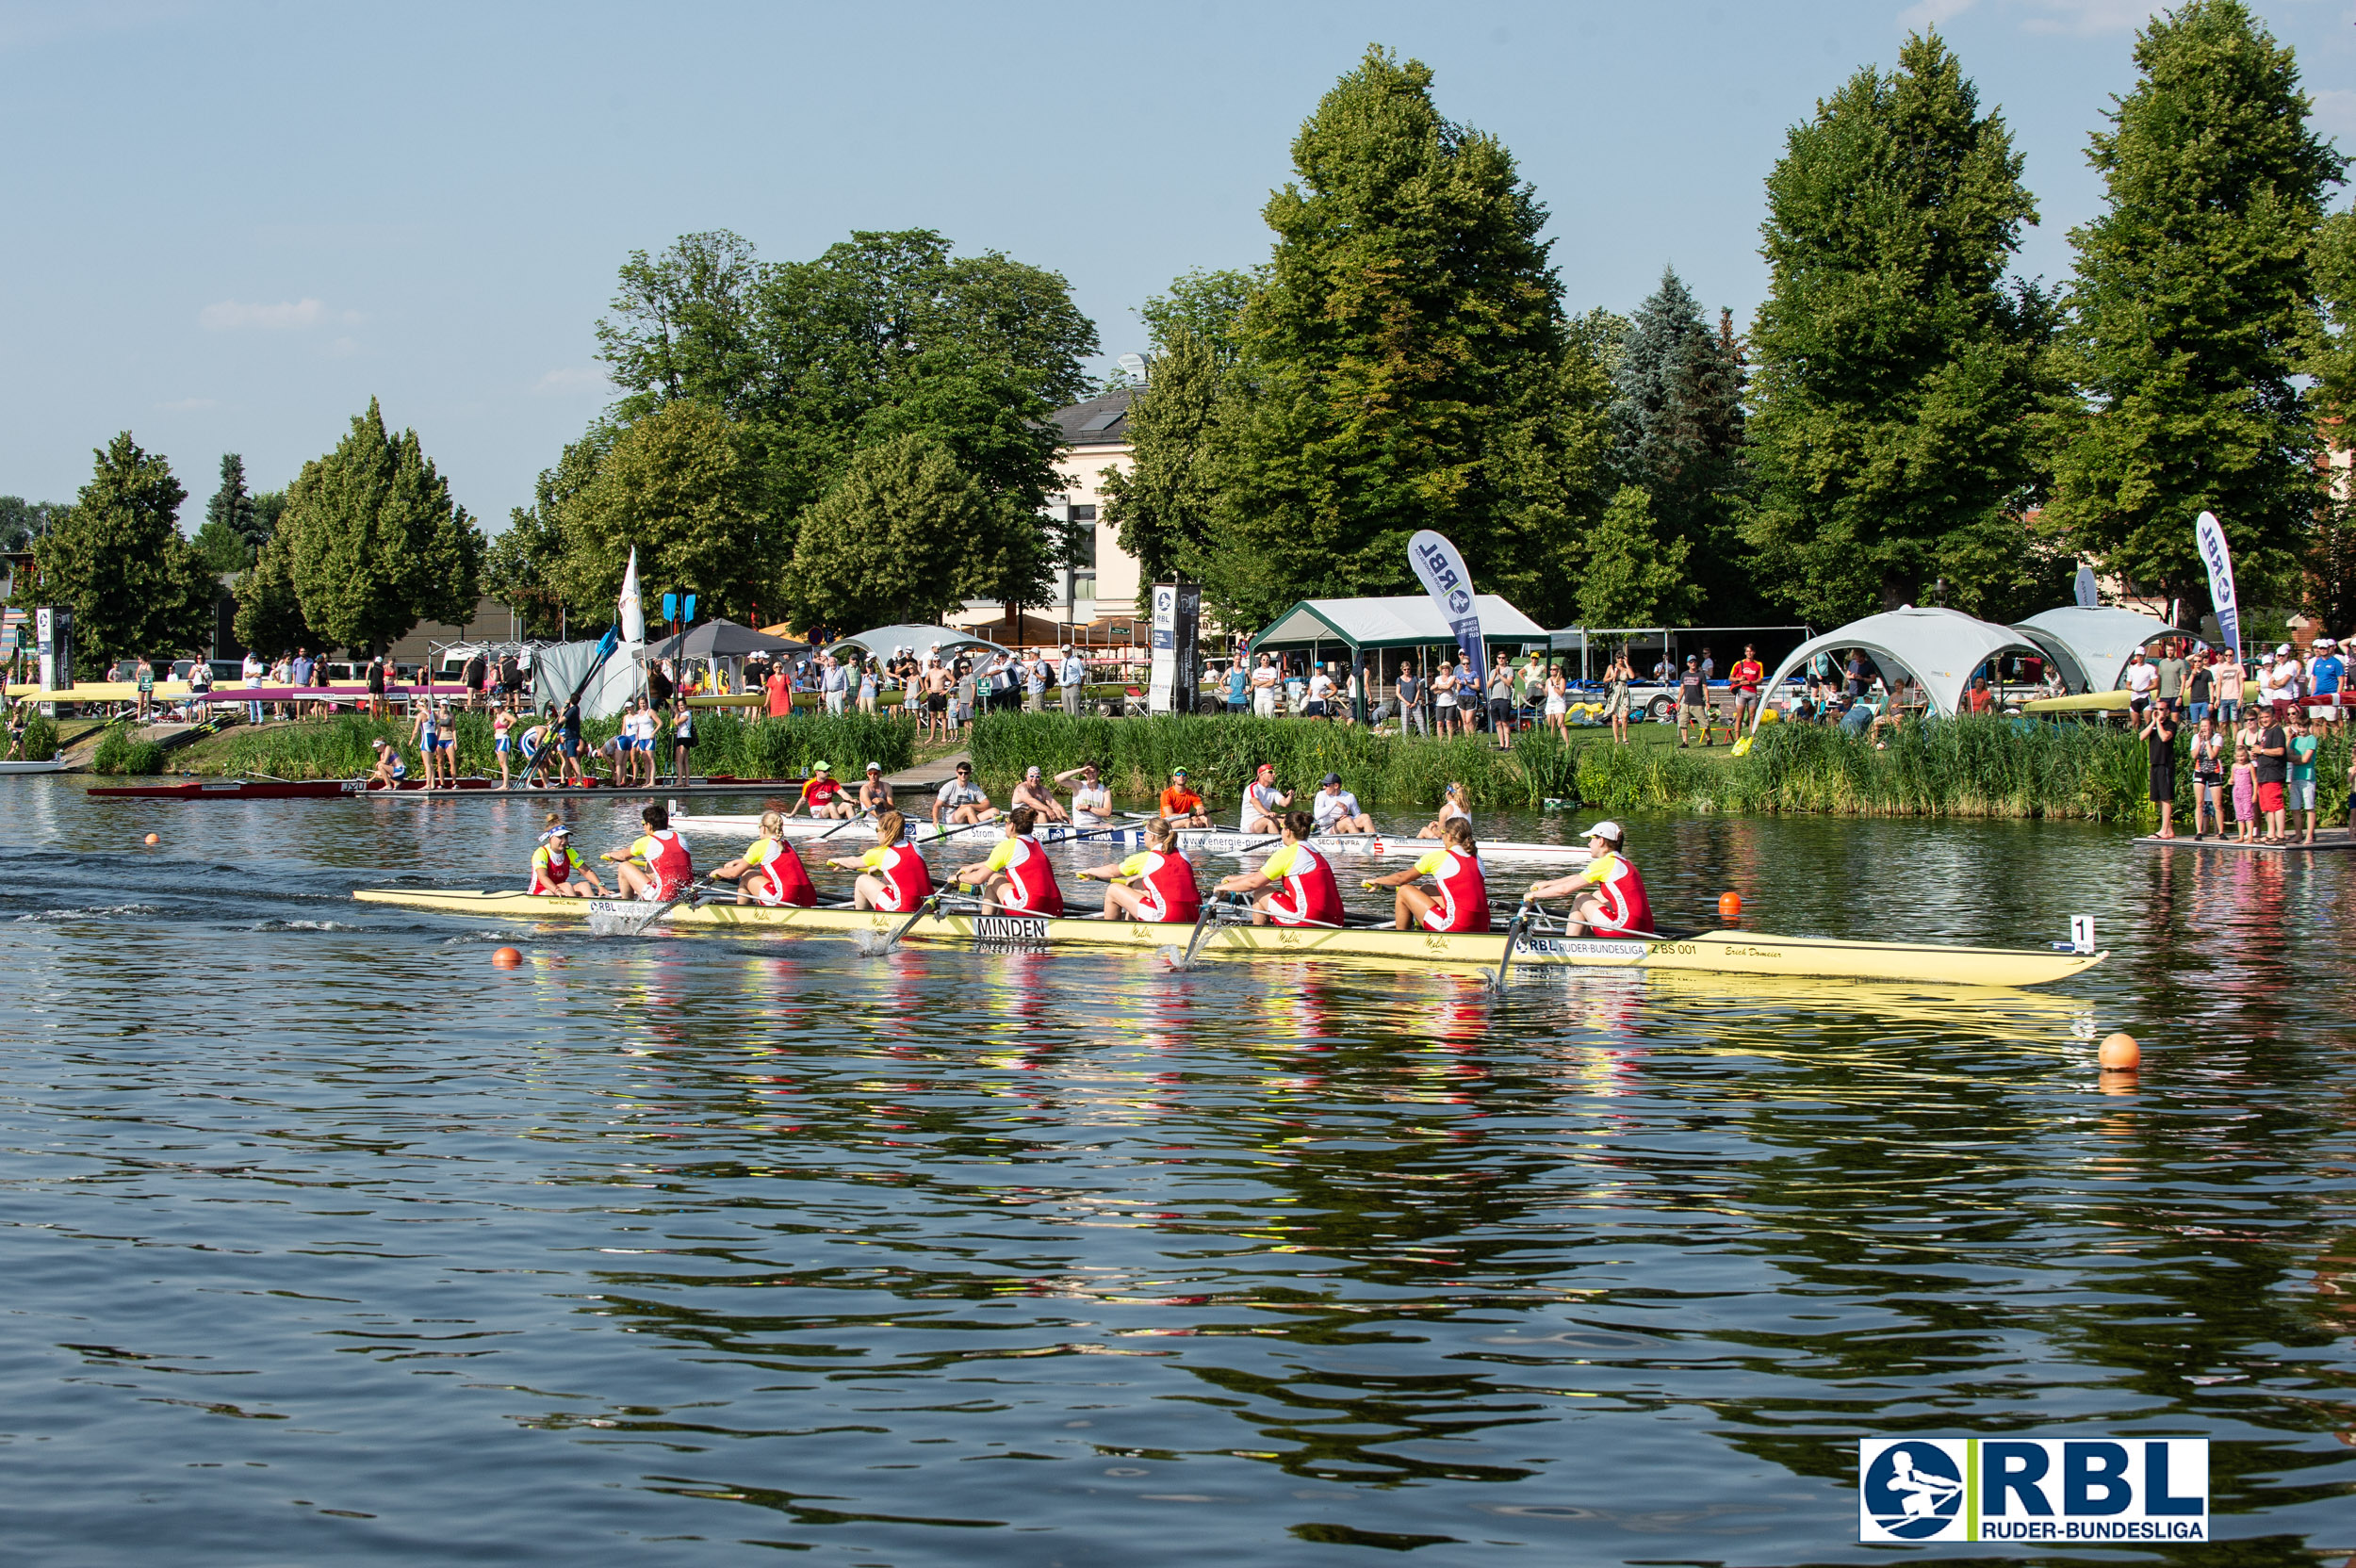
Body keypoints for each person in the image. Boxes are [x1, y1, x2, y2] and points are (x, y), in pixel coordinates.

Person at [1523, 821, 1654, 938]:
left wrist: (1533, 894)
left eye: (1591, 838)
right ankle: (1588, 940)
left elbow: (1564, 890)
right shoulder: (1623, 863)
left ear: (1600, 841)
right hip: (1645, 929)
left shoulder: (1605, 863)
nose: (1589, 843)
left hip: (1624, 928)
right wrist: (1548, 884)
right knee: (1598, 895)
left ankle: (1571, 944)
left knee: (1581, 898)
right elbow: (1579, 877)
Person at [1214, 810, 1343, 927]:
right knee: (1279, 890)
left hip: (1309, 920)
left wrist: (1222, 887)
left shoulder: (1288, 853)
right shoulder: (1313, 852)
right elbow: (1263, 877)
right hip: (1335, 920)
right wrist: (1235, 880)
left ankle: (1261, 939)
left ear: (1287, 831)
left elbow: (1255, 883)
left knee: (1261, 891)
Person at [1366, 816, 1489, 932]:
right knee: (1427, 889)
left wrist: (1377, 880)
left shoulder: (1437, 857)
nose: (1441, 837)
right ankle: (1419, 928)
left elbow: (1401, 879)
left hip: (1455, 927)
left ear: (1450, 837)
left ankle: (1402, 940)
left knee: (1404, 891)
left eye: (1443, 833)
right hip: (1484, 926)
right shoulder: (1478, 859)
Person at [1076, 817, 1201, 923]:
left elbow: (1113, 871)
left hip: (1167, 917)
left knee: (1113, 889)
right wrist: (1136, 877)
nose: (1143, 834)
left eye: (1144, 831)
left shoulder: (1147, 858)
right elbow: (1169, 874)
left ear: (1151, 836)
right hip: (1195, 915)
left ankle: (1111, 931)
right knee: (1137, 884)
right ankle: (1132, 925)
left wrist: (1090, 870)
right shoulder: (1182, 853)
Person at [951, 806, 1064, 915]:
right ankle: (1002, 920)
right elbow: (1005, 860)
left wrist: (957, 877)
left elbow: (978, 879)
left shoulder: (1007, 845)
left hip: (1029, 907)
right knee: (1007, 881)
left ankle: (985, 923)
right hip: (1056, 907)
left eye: (1006, 822)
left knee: (994, 878)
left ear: (1012, 826)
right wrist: (973, 866)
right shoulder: (1037, 843)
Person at [830, 810, 933, 912]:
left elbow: (853, 863)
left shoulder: (881, 853)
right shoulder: (914, 847)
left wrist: (838, 860)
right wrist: (878, 867)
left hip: (902, 909)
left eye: (877, 830)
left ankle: (860, 919)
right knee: (887, 880)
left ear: (885, 831)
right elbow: (903, 868)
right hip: (926, 907)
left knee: (862, 880)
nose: (877, 834)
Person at [713, 810, 818, 907]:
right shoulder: (787, 844)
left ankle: (741, 914)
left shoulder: (760, 845)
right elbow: (767, 860)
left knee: (747, 875)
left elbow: (733, 874)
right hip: (810, 897)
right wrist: (737, 862)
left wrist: (717, 871)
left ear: (763, 828)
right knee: (763, 876)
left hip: (785, 899)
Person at [605, 803, 695, 903]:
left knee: (623, 866)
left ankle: (626, 903)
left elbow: (622, 856)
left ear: (649, 825)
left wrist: (609, 855)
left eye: (644, 823)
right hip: (688, 894)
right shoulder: (680, 836)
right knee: (651, 864)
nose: (643, 827)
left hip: (664, 897)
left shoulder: (646, 841)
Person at [529, 822, 606, 897]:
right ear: (551, 838)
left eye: (566, 837)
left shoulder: (569, 851)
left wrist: (601, 886)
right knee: (566, 886)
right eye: (560, 837)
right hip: (540, 892)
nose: (564, 841)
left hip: (561, 890)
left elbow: (586, 872)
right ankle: (576, 907)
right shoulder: (541, 853)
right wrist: (557, 890)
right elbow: (543, 877)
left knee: (584, 886)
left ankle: (593, 906)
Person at [2141, 700, 2178, 840]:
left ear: (2168, 711)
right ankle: (2169, 829)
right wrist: (2153, 722)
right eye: (2156, 709)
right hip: (2155, 763)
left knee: (2166, 797)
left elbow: (2164, 737)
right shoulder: (2153, 725)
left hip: (2165, 764)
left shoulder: (2170, 725)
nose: (2159, 711)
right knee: (2159, 799)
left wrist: (2158, 723)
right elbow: (2141, 737)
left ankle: (2164, 830)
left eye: (2162, 709)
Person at [2254, 705, 2290, 843]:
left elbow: (2280, 751)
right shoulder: (2266, 732)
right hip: (2263, 773)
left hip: (2273, 772)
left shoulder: (2277, 731)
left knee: (2276, 804)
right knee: (2266, 806)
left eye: (2266, 717)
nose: (2264, 720)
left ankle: (2280, 835)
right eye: (2262, 717)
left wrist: (2261, 751)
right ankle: (2270, 833)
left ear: (2273, 717)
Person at [2187, 713, 2226, 839]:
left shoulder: (2217, 738)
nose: (2203, 728)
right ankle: (2199, 831)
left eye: (2206, 726)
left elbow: (2212, 755)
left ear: (2211, 727)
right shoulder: (2195, 737)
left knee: (2217, 803)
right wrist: (2200, 741)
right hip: (2200, 770)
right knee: (2199, 802)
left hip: (2213, 770)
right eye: (2202, 726)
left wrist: (2208, 741)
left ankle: (2220, 831)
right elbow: (2194, 755)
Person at [2288, 710, 2320, 843]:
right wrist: (2298, 759)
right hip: (2295, 777)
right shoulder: (2294, 740)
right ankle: (2298, 834)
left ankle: (2309, 836)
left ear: (2308, 726)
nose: (2301, 729)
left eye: (2304, 727)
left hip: (2307, 778)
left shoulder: (2311, 739)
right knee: (2295, 808)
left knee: (2309, 807)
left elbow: (2307, 759)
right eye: (2299, 727)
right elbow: (2288, 756)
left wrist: (2296, 759)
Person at [933, 760, 996, 826]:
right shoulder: (948, 786)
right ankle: (979, 830)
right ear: (956, 773)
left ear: (970, 773)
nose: (963, 775)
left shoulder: (974, 787)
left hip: (968, 817)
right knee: (968, 809)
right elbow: (937, 805)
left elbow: (987, 804)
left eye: (966, 773)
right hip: (951, 819)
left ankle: (994, 830)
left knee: (994, 811)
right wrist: (935, 820)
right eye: (960, 773)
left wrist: (969, 805)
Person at [1310, 772, 1374, 835]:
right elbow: (1317, 816)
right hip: (1328, 828)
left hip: (1348, 824)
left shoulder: (1349, 796)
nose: (1324, 787)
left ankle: (1375, 840)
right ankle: (1361, 841)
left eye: (1327, 785)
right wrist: (1335, 804)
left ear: (1336, 786)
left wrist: (1350, 817)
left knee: (1365, 817)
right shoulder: (1321, 795)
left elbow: (1357, 816)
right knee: (1347, 821)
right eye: (1324, 785)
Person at [789, 760, 856, 819]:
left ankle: (854, 825)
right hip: (817, 813)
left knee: (847, 805)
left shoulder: (832, 781)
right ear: (817, 772)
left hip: (831, 810)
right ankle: (840, 825)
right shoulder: (809, 784)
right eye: (825, 771)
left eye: (828, 770)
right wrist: (793, 814)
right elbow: (803, 800)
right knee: (831, 805)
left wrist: (851, 800)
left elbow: (843, 793)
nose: (828, 773)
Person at [1238, 762, 1292, 834]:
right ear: (1261, 775)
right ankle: (1279, 843)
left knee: (1288, 819)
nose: (1274, 774)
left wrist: (1291, 796)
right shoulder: (1253, 787)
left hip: (1266, 819)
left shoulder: (1273, 791)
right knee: (1269, 821)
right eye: (1270, 772)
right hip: (1250, 826)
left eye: (1274, 772)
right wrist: (1267, 813)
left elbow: (1286, 804)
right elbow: (1255, 802)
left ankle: (1295, 840)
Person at [1058, 761, 1111, 827]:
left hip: (1098, 822)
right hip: (1081, 824)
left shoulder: (1105, 791)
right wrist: (1079, 770)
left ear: (1098, 772)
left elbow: (1107, 813)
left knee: (1113, 828)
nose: (1091, 775)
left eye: (1093, 772)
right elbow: (1058, 779)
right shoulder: (1079, 786)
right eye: (1088, 772)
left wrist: (1088, 808)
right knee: (1099, 828)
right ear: (1084, 774)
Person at [1729, 645, 1765, 734]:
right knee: (1739, 716)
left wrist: (1750, 682)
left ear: (1754, 652)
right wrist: (1739, 679)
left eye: (1751, 651)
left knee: (1752, 716)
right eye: (1748, 651)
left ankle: (1752, 737)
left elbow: (1760, 680)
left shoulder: (1758, 664)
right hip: (1742, 692)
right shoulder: (1739, 664)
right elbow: (1730, 678)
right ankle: (1737, 738)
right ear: (1745, 652)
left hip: (1752, 692)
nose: (1749, 653)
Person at [1487, 652, 1516, 749]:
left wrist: (1499, 674)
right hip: (1494, 698)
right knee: (1497, 723)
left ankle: (1507, 744)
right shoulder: (1492, 671)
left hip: (1504, 698)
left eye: (1503, 658)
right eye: (1499, 658)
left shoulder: (1509, 670)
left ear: (1506, 659)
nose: (1501, 659)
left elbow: (1508, 683)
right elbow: (1488, 685)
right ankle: (1501, 744)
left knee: (1505, 722)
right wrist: (1495, 674)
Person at [2230, 742, 2258, 842]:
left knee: (2248, 813)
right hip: (2237, 792)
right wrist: (2230, 781)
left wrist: (2255, 794)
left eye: (2242, 756)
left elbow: (2254, 780)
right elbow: (2231, 778)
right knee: (2239, 814)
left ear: (2246, 755)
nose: (2240, 758)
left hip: (2247, 791)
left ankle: (2250, 836)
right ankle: (2241, 836)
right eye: (2238, 756)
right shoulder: (2234, 766)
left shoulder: (2249, 766)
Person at [1677, 657, 1708, 746]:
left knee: (1704, 724)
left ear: (1696, 663)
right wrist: (1678, 702)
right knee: (1682, 722)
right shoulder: (1684, 674)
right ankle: (1685, 742)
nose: (1693, 663)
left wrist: (1708, 701)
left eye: (1694, 662)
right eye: (1691, 662)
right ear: (1688, 664)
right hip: (1686, 703)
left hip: (1698, 703)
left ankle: (1709, 739)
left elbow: (1705, 688)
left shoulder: (1701, 674)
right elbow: (1682, 688)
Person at [1605, 649, 1633, 744]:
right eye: (1619, 657)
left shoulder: (1626, 668)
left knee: (1625, 716)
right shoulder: (1611, 667)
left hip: (1624, 692)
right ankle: (1616, 739)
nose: (1620, 659)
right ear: (1616, 658)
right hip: (1615, 691)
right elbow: (1605, 679)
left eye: (1622, 657)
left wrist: (1627, 664)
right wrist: (1612, 676)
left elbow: (1632, 676)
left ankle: (1625, 737)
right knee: (1615, 717)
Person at [1395, 662, 1425, 737]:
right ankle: (1405, 741)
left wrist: (1415, 701)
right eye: (1405, 669)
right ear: (1402, 670)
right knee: (1405, 723)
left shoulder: (1414, 678)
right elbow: (1398, 693)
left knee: (1421, 721)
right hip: (1405, 703)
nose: (1406, 671)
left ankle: (1425, 739)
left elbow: (1418, 690)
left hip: (1415, 703)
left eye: (1408, 669)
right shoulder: (1399, 679)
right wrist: (1406, 702)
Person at [2215, 650, 2244, 727]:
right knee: (2222, 722)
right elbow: (2218, 684)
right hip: (2223, 697)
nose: (2228, 657)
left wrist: (2240, 698)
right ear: (2224, 656)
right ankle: (2223, 738)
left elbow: (2242, 684)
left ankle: (2234, 738)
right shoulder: (2221, 668)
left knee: (2234, 721)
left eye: (2230, 655)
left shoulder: (2238, 667)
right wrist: (2217, 699)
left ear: (2234, 656)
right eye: (2226, 655)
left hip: (2235, 697)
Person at [1431, 660, 1460, 736]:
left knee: (1449, 722)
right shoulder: (1438, 678)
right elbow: (1435, 691)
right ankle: (1440, 741)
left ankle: (1450, 741)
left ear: (1450, 669)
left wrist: (1438, 686)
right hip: (1440, 703)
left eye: (1447, 668)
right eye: (1443, 668)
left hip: (1451, 702)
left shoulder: (1452, 677)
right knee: (1439, 723)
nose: (1445, 669)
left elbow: (1449, 686)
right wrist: (1446, 688)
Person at [671, 698, 695, 781]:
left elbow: (677, 723)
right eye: (679, 706)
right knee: (685, 760)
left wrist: (677, 713)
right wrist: (676, 714)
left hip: (684, 738)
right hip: (681, 737)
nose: (680, 707)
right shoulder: (681, 714)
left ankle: (679, 780)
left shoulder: (687, 713)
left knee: (679, 760)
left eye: (682, 705)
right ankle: (687, 781)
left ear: (685, 705)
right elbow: (674, 722)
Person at [493, 706, 515, 790]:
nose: (495, 709)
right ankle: (504, 783)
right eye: (494, 707)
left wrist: (508, 728)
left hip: (504, 739)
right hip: (498, 740)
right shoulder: (497, 715)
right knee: (501, 763)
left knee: (504, 763)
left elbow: (514, 720)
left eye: (496, 707)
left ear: (499, 707)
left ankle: (505, 785)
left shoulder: (504, 714)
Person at [1250, 653, 1280, 719]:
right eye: (1264, 659)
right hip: (1258, 697)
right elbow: (1254, 682)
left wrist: (1259, 684)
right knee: (1259, 717)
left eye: (1267, 659)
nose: (1265, 661)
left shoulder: (1272, 670)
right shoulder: (1256, 671)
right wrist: (1266, 681)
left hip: (1269, 698)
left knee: (1270, 717)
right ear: (1260, 661)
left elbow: (1271, 683)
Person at [1060, 646, 1087, 716]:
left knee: (1075, 710)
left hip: (1073, 686)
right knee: (1066, 710)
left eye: (1066, 651)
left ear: (1070, 651)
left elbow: (1082, 675)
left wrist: (1079, 687)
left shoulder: (1076, 661)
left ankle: (1076, 725)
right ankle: (1067, 726)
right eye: (1063, 652)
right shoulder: (1062, 662)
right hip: (1064, 688)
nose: (1064, 653)